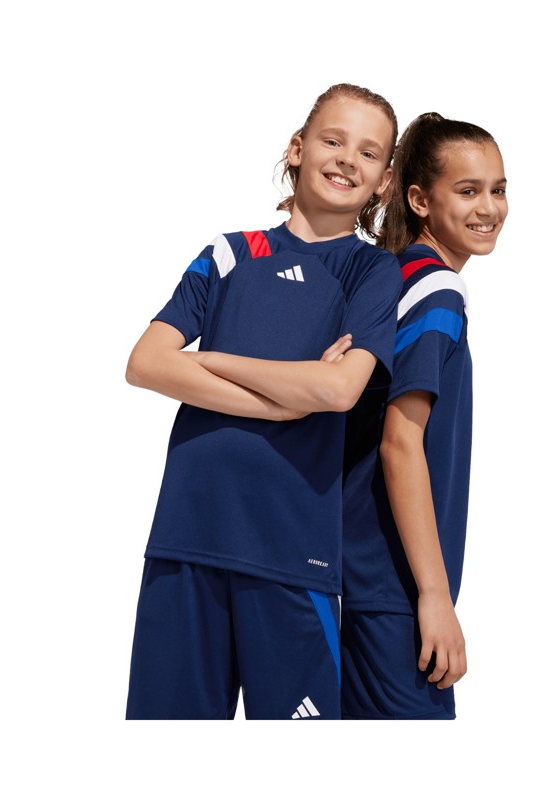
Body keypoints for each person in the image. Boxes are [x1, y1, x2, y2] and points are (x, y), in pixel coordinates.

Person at [124, 84, 402, 720]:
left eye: (368, 152)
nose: (347, 159)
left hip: (293, 552)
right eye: (333, 140)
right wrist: (278, 402)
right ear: (297, 148)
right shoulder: (230, 253)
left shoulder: (372, 273)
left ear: (384, 182)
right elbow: (144, 363)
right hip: (186, 538)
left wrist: (206, 360)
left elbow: (338, 389)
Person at [341, 113, 509, 719]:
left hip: (351, 577)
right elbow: (400, 442)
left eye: (498, 189)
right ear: (419, 200)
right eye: (467, 190)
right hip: (392, 592)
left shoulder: (388, 277)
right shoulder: (437, 291)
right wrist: (434, 596)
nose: (488, 207)